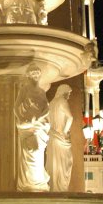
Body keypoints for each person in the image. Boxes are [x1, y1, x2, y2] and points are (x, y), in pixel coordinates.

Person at [14, 62, 50, 192]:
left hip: (40, 125)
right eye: (33, 74)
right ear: (28, 76)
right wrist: (22, 119)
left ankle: (38, 182)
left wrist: (40, 117)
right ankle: (29, 182)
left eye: (37, 74)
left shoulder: (41, 91)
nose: (35, 76)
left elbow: (47, 107)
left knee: (38, 152)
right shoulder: (25, 89)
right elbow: (16, 107)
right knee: (32, 151)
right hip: (28, 125)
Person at [45, 84, 73, 192]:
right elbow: (70, 117)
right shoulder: (62, 101)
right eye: (68, 93)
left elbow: (47, 120)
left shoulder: (51, 103)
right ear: (63, 92)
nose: (69, 96)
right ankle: (61, 188)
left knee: (53, 162)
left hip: (52, 136)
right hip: (61, 137)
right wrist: (65, 132)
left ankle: (53, 187)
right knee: (66, 162)